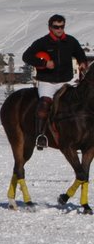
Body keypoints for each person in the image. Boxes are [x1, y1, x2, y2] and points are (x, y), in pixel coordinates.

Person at [22, 14, 88, 150]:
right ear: (50, 27)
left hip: (66, 82)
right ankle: (41, 136)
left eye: (62, 26)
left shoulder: (71, 41)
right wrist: (44, 63)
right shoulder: (42, 42)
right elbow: (26, 56)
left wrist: (82, 62)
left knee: (79, 104)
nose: (59, 29)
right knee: (44, 105)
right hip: (47, 82)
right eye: (56, 27)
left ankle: (81, 136)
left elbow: (80, 54)